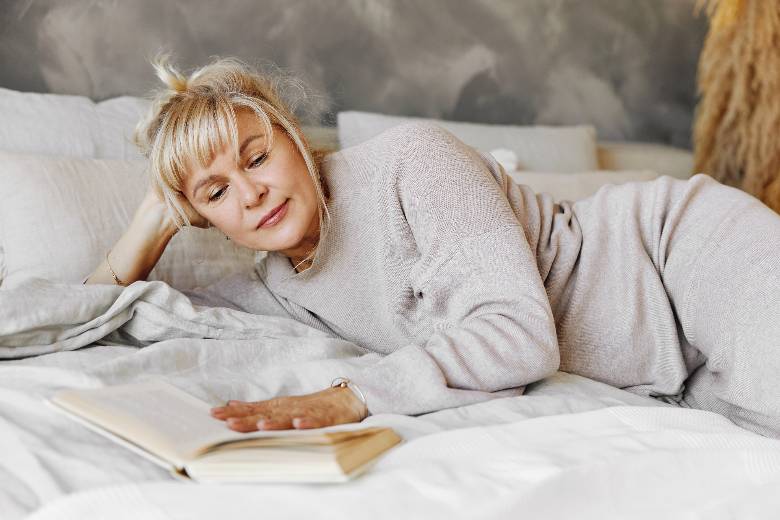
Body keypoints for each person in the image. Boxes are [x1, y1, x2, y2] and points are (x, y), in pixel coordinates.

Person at [84, 56, 780, 438]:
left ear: (293, 136)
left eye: (257, 156)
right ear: (204, 218)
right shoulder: (274, 288)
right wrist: (150, 224)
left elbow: (517, 335)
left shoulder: (413, 161)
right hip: (668, 381)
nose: (250, 193)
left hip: (679, 257)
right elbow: (88, 321)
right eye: (215, 192)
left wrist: (354, 396)